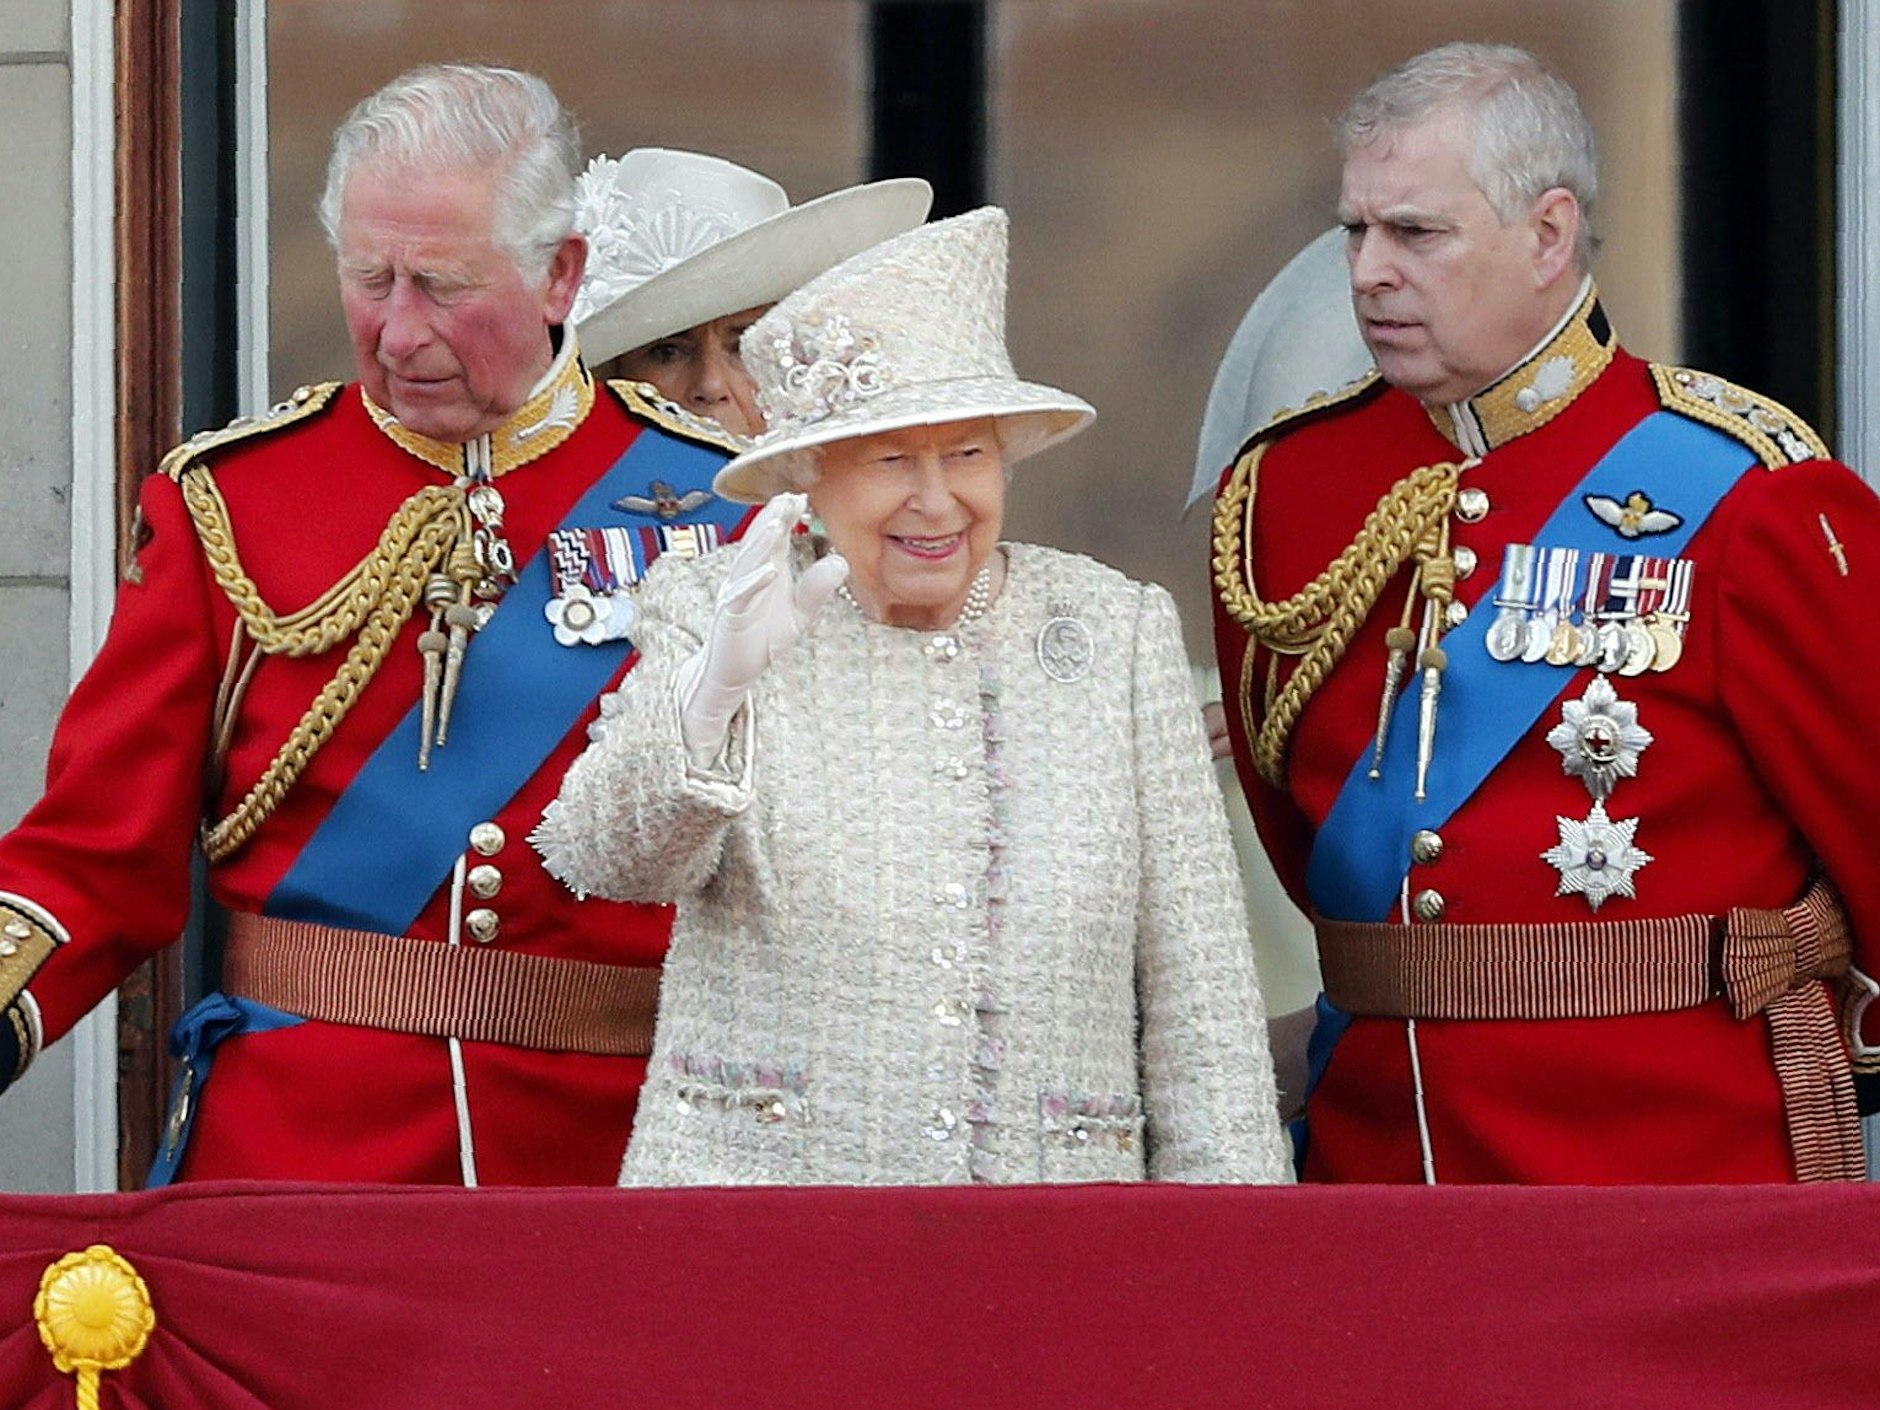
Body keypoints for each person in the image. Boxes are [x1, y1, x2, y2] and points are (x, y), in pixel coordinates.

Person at [0, 64, 766, 1186]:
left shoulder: (720, 503)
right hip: (303, 1158)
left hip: (621, 1161)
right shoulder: (236, 500)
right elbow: (94, 854)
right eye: (372, 279)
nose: (398, 332)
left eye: (443, 287)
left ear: (560, 274)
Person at [1211, 41, 1880, 1184]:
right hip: (1378, 1168)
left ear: (1547, 233)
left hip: (1670, 1174)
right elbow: (1305, 835)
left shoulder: (1747, 489)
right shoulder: (1282, 489)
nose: (1367, 272)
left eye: (1413, 233)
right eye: (1354, 232)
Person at [536, 208, 1291, 1186]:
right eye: (892, 460)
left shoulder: (1114, 631)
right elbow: (607, 861)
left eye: (966, 455)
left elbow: (1203, 1000)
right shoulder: (714, 609)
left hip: (1052, 1238)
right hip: (766, 1242)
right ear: (810, 474)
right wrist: (709, 696)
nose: (935, 502)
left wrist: (1223, 1253)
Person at [569, 147, 931, 436]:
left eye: (744, 346)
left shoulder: (845, 522)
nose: (710, 386)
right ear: (611, 374)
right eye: (667, 352)